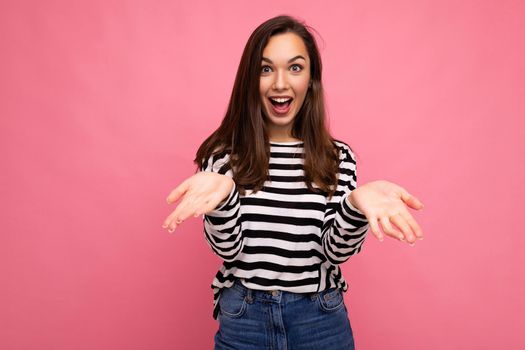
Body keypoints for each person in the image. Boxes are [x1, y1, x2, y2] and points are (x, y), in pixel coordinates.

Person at [162, 15, 424, 350]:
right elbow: (228, 249)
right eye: (266, 68)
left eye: (295, 68)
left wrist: (355, 205)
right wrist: (226, 197)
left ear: (311, 79)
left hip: (319, 318)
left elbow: (333, 251)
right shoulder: (223, 156)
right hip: (245, 319)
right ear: (249, 78)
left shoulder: (336, 157)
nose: (280, 83)